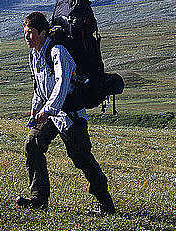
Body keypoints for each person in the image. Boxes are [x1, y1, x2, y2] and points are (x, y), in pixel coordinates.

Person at [16, 11, 116, 214]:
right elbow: (39, 85)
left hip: (69, 113)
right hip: (48, 112)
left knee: (81, 157)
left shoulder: (58, 51)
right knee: (32, 144)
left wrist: (48, 109)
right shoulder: (35, 54)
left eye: (31, 33)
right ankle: (38, 198)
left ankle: (105, 204)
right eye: (25, 33)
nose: (27, 37)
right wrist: (35, 110)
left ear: (43, 33)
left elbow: (62, 83)